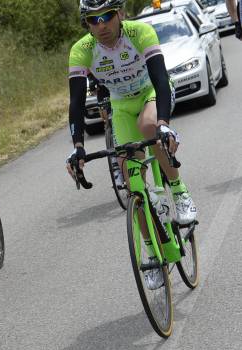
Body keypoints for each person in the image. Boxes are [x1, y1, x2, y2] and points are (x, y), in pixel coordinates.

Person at [66, 0, 196, 289]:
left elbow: (161, 81)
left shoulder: (141, 33)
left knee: (148, 127)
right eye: (93, 20)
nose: (101, 25)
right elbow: (75, 103)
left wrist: (164, 124)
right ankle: (152, 254)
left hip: (151, 92)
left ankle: (179, 191)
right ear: (86, 24)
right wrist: (77, 146)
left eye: (107, 16)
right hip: (121, 105)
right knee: (132, 182)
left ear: (120, 14)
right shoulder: (82, 51)